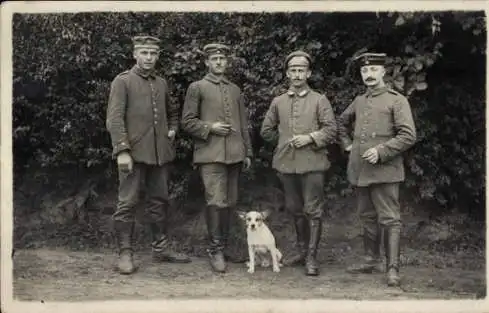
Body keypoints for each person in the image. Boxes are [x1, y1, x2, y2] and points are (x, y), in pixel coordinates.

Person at [106, 35, 191, 275]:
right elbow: (114, 119)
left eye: (153, 53)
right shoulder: (123, 81)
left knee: (159, 201)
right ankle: (125, 254)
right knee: (127, 203)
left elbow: (171, 110)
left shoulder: (161, 83)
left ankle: (160, 249)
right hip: (132, 153)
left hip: (160, 154)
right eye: (144, 53)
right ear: (135, 54)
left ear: (158, 56)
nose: (149, 58)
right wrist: (122, 150)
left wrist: (172, 129)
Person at [338, 52, 417, 286]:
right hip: (361, 170)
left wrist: (382, 151)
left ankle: (392, 268)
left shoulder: (397, 100)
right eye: (364, 71)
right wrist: (347, 145)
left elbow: (408, 135)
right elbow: (340, 123)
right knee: (367, 217)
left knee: (390, 219)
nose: (369, 75)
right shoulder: (360, 100)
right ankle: (370, 260)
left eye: (373, 70)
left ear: (383, 72)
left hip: (385, 170)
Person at [260, 50, 337, 276]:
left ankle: (312, 258)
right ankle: (302, 252)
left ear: (308, 73)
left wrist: (310, 138)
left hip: (313, 163)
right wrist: (283, 142)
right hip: (287, 165)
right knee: (295, 209)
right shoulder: (278, 101)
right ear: (287, 73)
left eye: (301, 70)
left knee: (313, 210)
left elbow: (331, 130)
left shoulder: (319, 100)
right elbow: (266, 130)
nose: (296, 74)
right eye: (293, 70)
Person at [181, 43, 253, 273]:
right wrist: (210, 127)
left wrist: (247, 151)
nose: (219, 62)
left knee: (230, 202)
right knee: (216, 201)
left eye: (222, 58)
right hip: (210, 154)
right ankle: (215, 249)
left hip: (234, 154)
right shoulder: (197, 87)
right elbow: (187, 121)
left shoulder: (234, 90)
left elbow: (243, 124)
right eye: (214, 59)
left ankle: (226, 245)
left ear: (227, 62)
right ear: (207, 62)